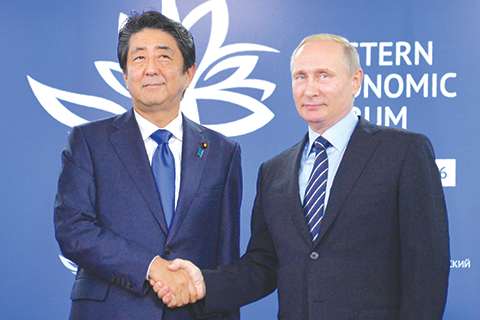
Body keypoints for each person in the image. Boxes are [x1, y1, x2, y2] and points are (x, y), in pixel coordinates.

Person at [154, 34, 451, 319]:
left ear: (355, 81)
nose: (310, 89)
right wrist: (205, 283)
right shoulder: (273, 171)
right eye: (301, 77)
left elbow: (426, 265)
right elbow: (264, 265)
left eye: (324, 75)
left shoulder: (403, 150)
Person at [54, 10, 241, 320]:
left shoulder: (223, 151)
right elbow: (73, 229)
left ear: (189, 73)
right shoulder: (89, 141)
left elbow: (225, 258)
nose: (151, 68)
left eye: (164, 57)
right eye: (139, 58)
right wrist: (151, 266)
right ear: (126, 75)